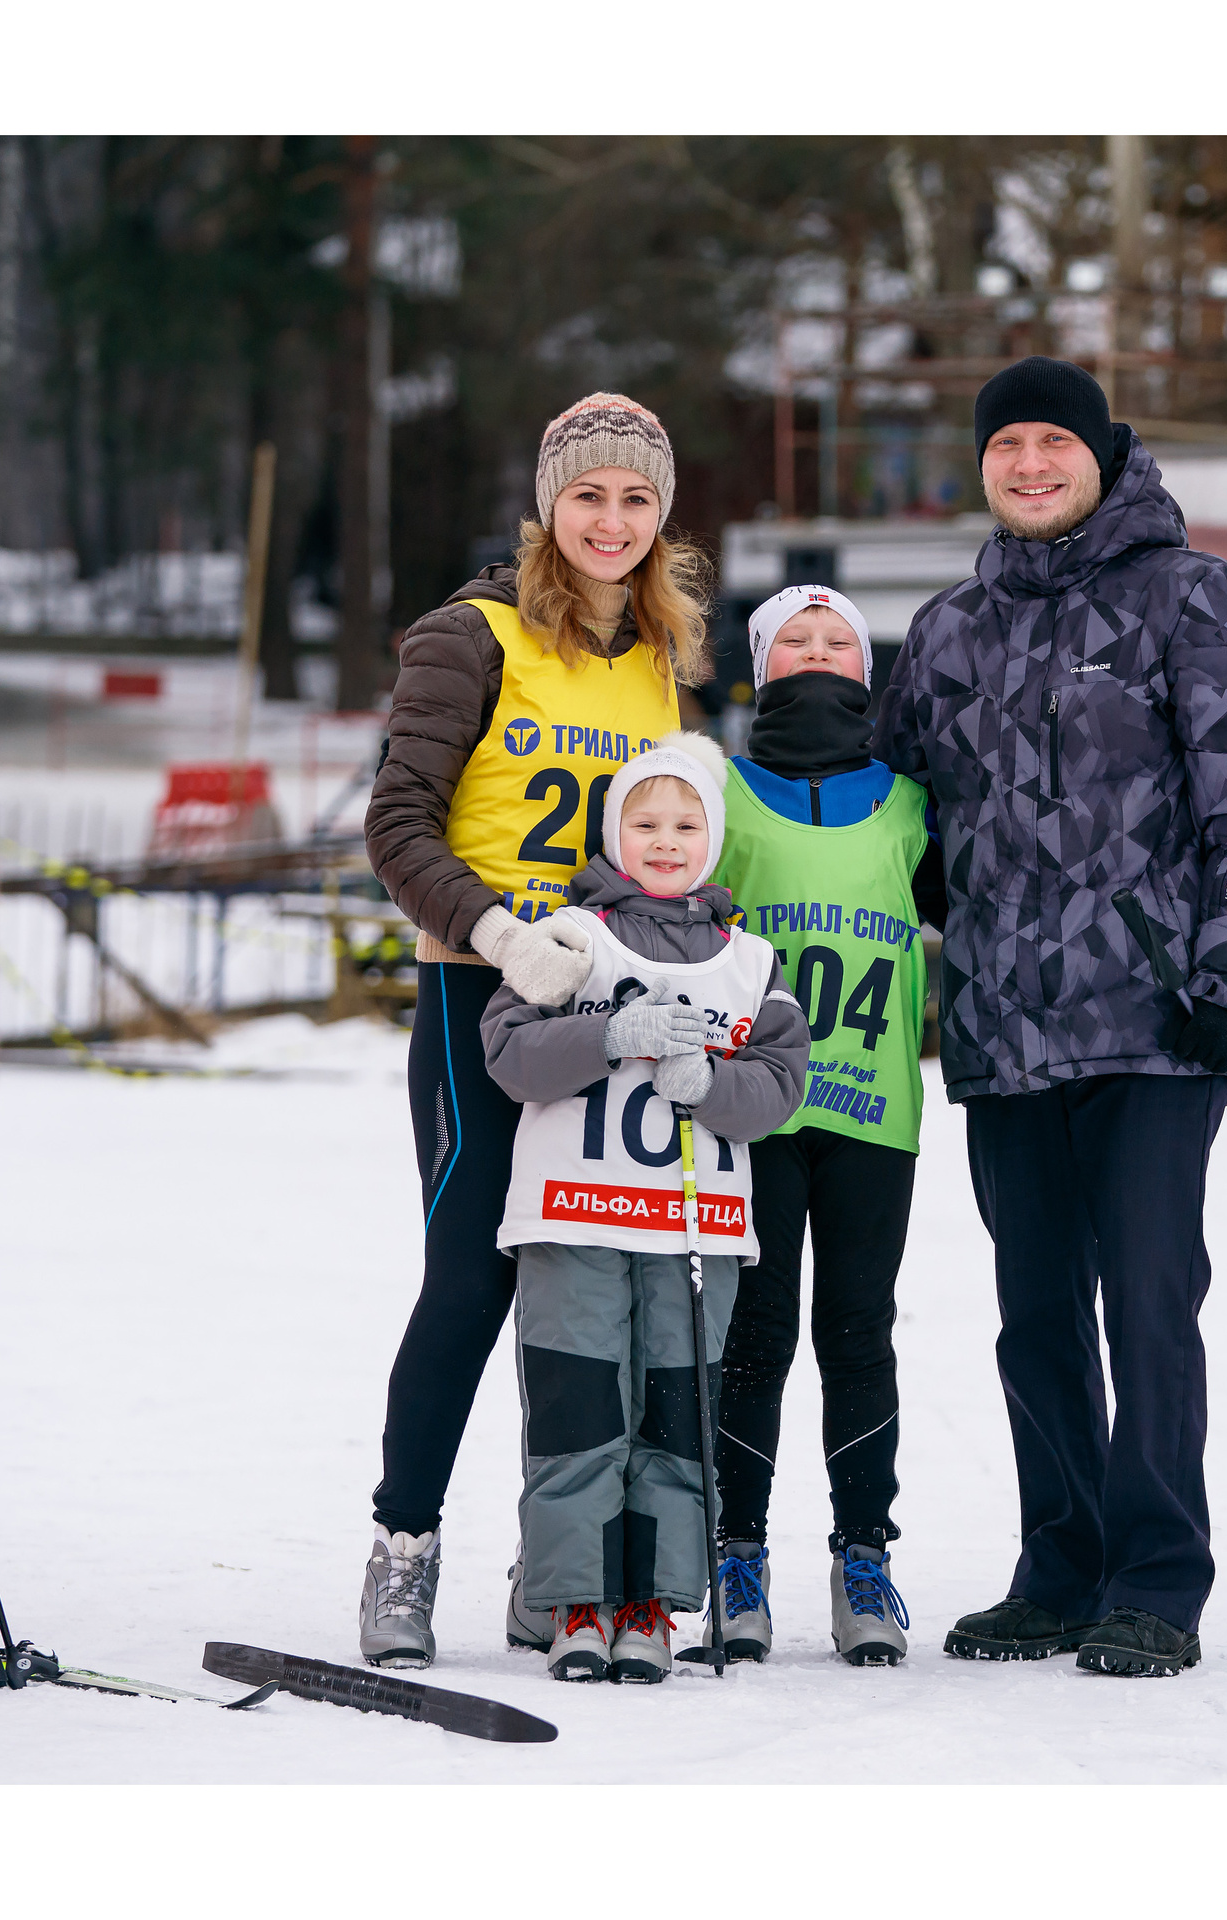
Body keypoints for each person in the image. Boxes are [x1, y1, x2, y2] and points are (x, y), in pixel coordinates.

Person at [873, 356, 1227, 1677]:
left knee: (1152, 1303)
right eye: (1005, 444)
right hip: (1006, 1032)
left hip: (1157, 1027)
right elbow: (901, 823)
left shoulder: (1195, 598)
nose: (1030, 464)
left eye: (1053, 440)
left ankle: (1156, 1581)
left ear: (1103, 454)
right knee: (1036, 1316)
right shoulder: (950, 630)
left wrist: (1226, 986)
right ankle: (1058, 1567)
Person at [358, 393, 709, 1668]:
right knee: (473, 1276)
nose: (610, 520)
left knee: (590, 1283)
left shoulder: (661, 655)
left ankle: (552, 1567)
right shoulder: (475, 634)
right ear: (547, 506)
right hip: (482, 992)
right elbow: (397, 822)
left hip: (611, 1003)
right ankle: (403, 1549)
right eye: (588, 495)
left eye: (635, 498)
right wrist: (500, 932)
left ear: (660, 515)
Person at [478, 733, 809, 1681]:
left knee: (674, 1412)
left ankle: (650, 1603)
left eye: (686, 823)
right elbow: (508, 1052)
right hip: (574, 1213)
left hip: (689, 1224)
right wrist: (606, 1031)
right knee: (581, 1410)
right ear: (616, 834)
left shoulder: (749, 961)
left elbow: (781, 1086)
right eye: (646, 822)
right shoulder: (572, 938)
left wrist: (707, 1082)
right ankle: (573, 1600)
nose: (666, 841)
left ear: (712, 839)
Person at [703, 583, 938, 1665]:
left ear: (865, 670)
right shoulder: (720, 795)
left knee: (857, 1329)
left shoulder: (909, 802)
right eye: (791, 638)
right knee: (753, 1333)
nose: (814, 650)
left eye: (835, 638)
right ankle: (734, 1551)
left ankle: (862, 1556)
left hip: (873, 1109)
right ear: (759, 666)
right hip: (751, 1111)